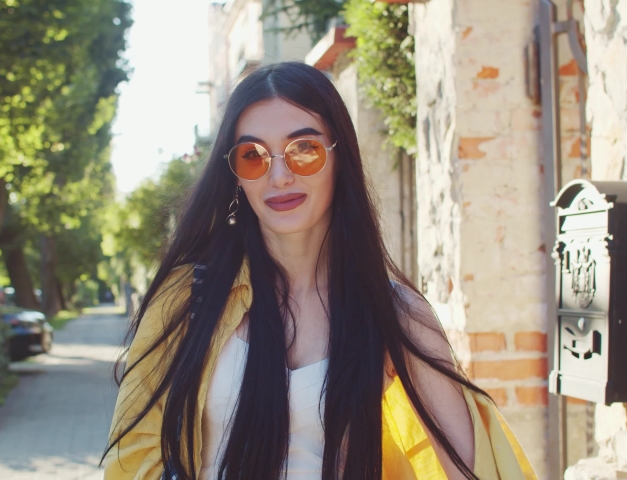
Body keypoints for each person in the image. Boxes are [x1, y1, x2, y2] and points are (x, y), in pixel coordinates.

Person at [102, 62, 535, 480]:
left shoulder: (393, 313)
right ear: (235, 176)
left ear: (339, 156)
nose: (279, 175)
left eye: (304, 149)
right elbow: (131, 459)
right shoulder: (187, 296)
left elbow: (473, 468)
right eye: (253, 156)